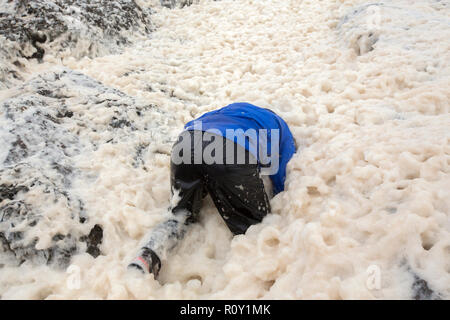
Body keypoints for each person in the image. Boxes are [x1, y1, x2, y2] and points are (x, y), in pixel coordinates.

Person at [128, 102, 296, 277]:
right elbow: (284, 169)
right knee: (258, 231)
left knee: (180, 214)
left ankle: (146, 256)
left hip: (186, 144)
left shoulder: (225, 111)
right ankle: (256, 284)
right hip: (229, 151)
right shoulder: (279, 125)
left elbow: (193, 131)